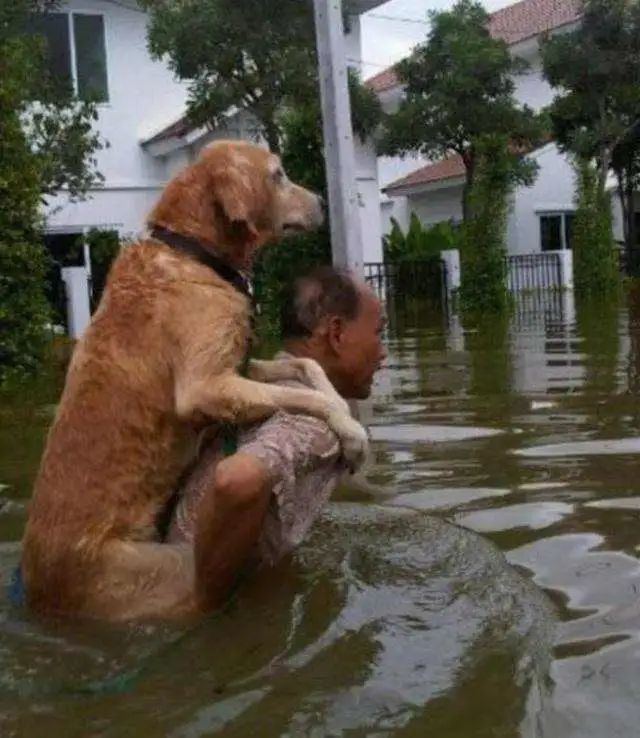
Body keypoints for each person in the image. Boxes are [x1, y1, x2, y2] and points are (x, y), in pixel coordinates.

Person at [167, 266, 386, 610]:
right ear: (337, 333)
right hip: (181, 611)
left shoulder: (261, 387)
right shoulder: (314, 421)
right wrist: (204, 606)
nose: (384, 352)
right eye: (379, 333)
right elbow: (237, 481)